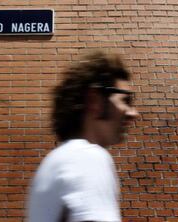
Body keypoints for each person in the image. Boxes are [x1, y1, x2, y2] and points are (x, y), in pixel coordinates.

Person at [27, 50, 140, 222]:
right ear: (94, 100)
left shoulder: (54, 161)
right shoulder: (87, 157)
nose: (133, 113)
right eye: (126, 101)